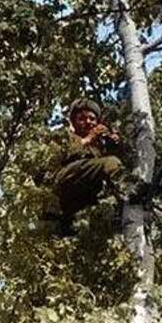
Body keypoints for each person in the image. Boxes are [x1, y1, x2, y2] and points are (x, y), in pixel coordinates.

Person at [44, 97, 129, 231]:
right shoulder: (63, 136)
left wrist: (115, 144)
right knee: (110, 162)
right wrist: (88, 139)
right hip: (63, 183)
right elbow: (56, 158)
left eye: (92, 119)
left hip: (80, 199)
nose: (88, 122)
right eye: (82, 119)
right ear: (73, 122)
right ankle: (130, 190)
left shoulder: (98, 148)